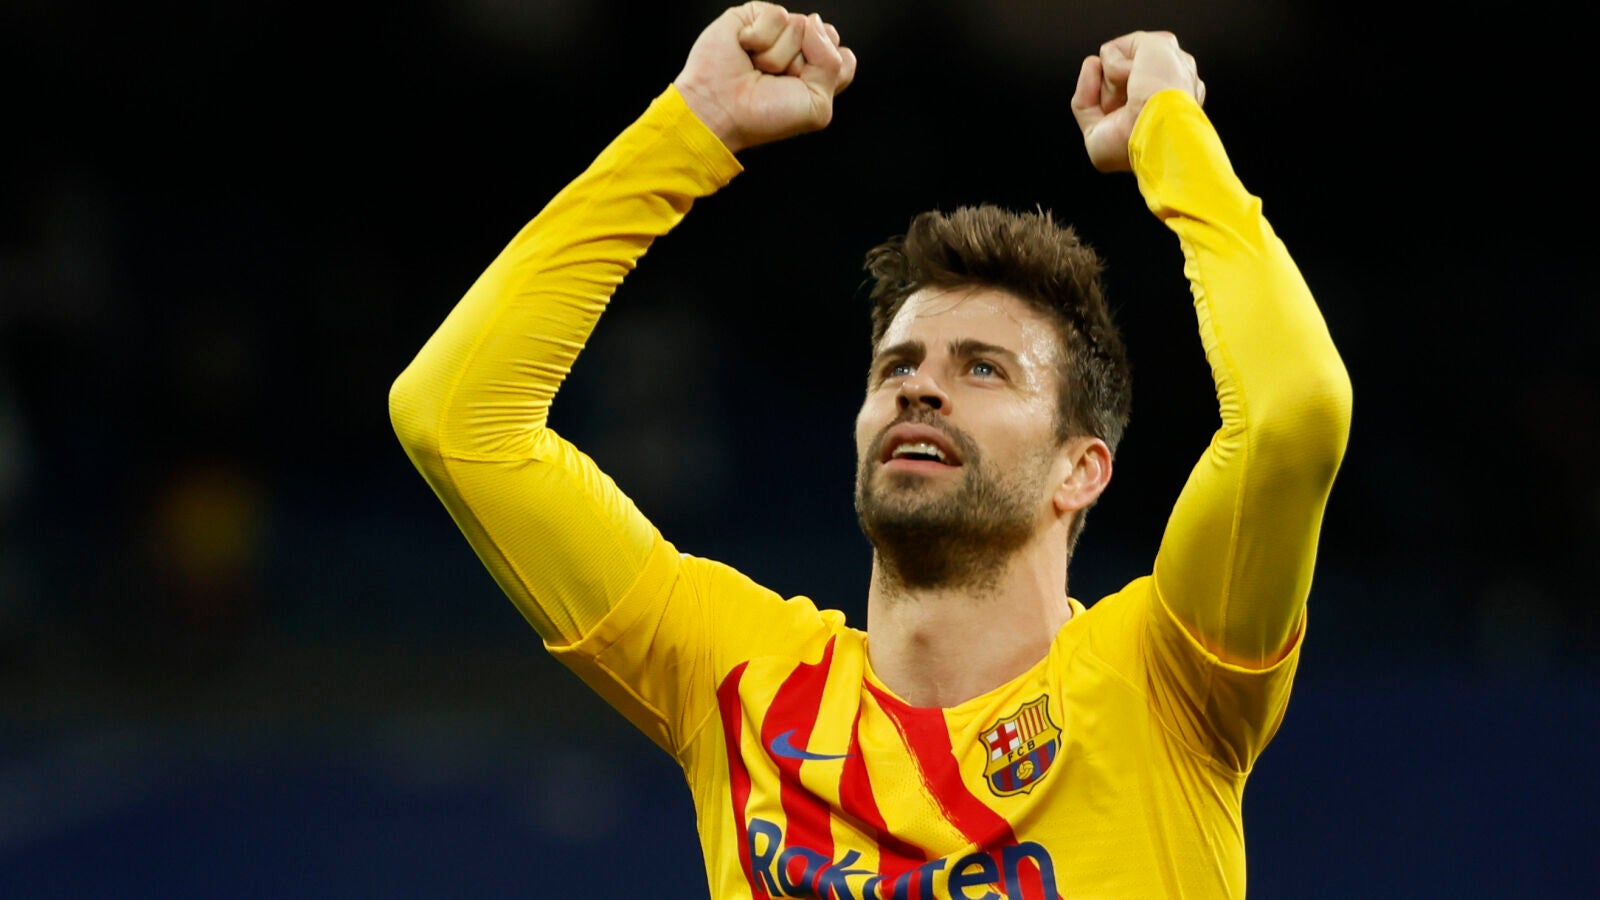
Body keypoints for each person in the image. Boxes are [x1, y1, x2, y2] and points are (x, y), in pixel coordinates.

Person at [389, 3, 1352, 897]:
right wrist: (688, 130)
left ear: (1081, 469)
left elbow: (1294, 412)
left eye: (984, 369)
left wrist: (1173, 138)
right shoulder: (742, 685)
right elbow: (457, 418)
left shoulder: (1165, 681)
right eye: (897, 366)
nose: (918, 388)